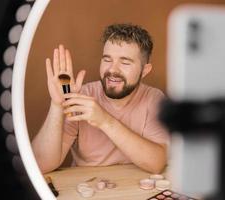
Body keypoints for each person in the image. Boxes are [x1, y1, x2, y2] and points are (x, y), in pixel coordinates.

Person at [31, 23, 170, 174]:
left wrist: (104, 120)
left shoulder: (153, 98)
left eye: (124, 62)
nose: (112, 69)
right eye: (107, 59)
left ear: (144, 70)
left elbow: (156, 163)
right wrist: (57, 105)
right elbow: (40, 165)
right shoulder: (81, 97)